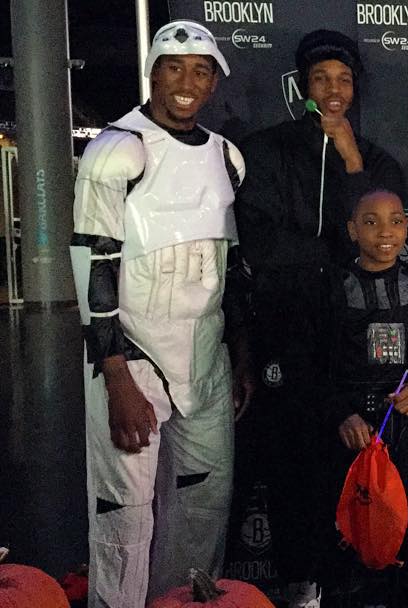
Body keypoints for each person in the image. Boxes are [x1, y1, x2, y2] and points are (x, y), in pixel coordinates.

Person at [71, 20, 250, 606]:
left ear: (214, 82)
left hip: (206, 358)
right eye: (174, 67)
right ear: (153, 73)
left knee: (201, 505)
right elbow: (93, 262)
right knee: (123, 514)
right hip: (133, 353)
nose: (187, 82)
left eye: (201, 70)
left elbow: (229, 266)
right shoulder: (116, 150)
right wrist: (115, 375)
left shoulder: (227, 158)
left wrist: (239, 356)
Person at [234, 29, 406, 605]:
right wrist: (331, 253)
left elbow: (383, 237)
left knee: (355, 458)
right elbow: (260, 245)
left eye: (344, 80)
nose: (333, 90)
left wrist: (352, 161)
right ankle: (300, 583)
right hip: (286, 329)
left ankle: (358, 581)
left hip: (356, 336)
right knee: (294, 460)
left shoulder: (374, 159)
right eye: (321, 79)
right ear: (302, 86)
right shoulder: (267, 150)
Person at [324, 189, 408, 606]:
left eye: (395, 221)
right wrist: (342, 414)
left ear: (407, 228)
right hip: (350, 433)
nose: (385, 232)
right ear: (352, 230)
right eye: (371, 222)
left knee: (405, 528)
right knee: (349, 532)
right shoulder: (331, 288)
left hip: (404, 433)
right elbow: (312, 364)